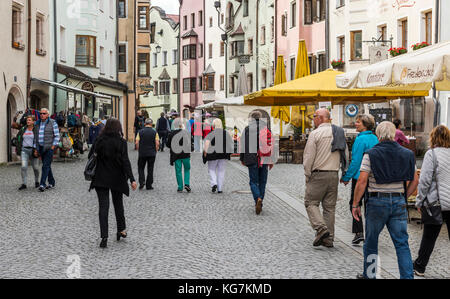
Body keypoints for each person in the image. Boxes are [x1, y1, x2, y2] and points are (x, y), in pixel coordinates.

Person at [352, 121, 419, 279]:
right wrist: (404, 196)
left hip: (377, 202)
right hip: (398, 202)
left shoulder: (371, 154)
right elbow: (415, 180)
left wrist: (355, 204)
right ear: (394, 133)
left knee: (371, 242)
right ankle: (407, 277)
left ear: (378, 134)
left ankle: (370, 275)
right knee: (402, 243)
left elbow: (362, 181)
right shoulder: (408, 154)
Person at [89, 119, 137, 248]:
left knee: (103, 208)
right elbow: (125, 161)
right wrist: (132, 179)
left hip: (101, 177)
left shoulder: (99, 140)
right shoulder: (121, 142)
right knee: (118, 204)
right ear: (118, 128)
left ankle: (104, 237)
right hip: (117, 178)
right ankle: (121, 230)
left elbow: (90, 156)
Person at [303, 108, 348, 248]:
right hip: (333, 174)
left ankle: (321, 228)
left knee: (310, 202)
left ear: (321, 118)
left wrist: (307, 174)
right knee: (329, 208)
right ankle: (329, 239)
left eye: (314, 116)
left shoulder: (315, 134)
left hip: (318, 174)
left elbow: (308, 157)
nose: (313, 119)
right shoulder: (340, 133)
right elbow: (345, 154)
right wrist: (344, 172)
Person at [413, 125, 450, 277]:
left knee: (429, 236)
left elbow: (425, 181)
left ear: (433, 138)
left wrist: (419, 201)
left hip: (436, 203)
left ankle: (420, 267)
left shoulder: (431, 154)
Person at [341, 114, 379, 245]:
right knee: (370, 206)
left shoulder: (360, 139)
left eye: (358, 122)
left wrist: (346, 177)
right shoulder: (375, 138)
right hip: (373, 177)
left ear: (365, 125)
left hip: (359, 177)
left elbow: (356, 161)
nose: (355, 124)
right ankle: (371, 234)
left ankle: (359, 233)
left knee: (355, 203)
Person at [240, 111, 274, 215]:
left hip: (251, 158)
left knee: (253, 181)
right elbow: (272, 145)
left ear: (251, 118)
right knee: (263, 181)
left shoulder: (247, 129)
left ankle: (257, 198)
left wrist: (242, 158)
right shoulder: (266, 128)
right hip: (264, 158)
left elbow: (243, 145)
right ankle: (260, 200)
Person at [33, 108, 60, 192]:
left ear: (48, 115)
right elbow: (35, 137)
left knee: (45, 166)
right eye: (41, 113)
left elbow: (57, 136)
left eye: (44, 113)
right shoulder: (37, 123)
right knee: (47, 165)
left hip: (49, 148)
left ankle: (42, 184)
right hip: (41, 147)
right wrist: (35, 148)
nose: (42, 115)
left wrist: (53, 146)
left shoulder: (52, 122)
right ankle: (52, 182)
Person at [203, 118, 233, 194]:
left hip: (213, 154)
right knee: (221, 171)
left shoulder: (211, 133)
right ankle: (220, 188)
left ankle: (214, 183)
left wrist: (205, 152)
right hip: (223, 154)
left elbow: (207, 143)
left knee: (211, 169)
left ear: (213, 125)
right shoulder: (226, 133)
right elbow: (230, 143)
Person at [167, 118, 192, 193]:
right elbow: (190, 143)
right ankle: (187, 184)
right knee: (187, 169)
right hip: (186, 154)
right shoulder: (186, 133)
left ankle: (180, 187)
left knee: (178, 171)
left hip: (176, 155)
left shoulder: (171, 134)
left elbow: (168, 145)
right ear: (181, 125)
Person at [17, 115, 40, 190]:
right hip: (24, 150)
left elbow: (38, 140)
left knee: (36, 168)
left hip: (33, 150)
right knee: (23, 167)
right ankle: (24, 183)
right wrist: (18, 148)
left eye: (29, 120)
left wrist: (37, 149)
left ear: (33, 121)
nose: (28, 121)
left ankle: (37, 181)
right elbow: (18, 138)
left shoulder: (36, 129)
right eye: (27, 120)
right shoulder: (23, 129)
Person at [136, 118, 160, 190]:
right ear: (151, 124)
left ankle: (141, 182)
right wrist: (155, 151)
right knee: (150, 169)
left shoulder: (140, 132)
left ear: (145, 124)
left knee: (141, 168)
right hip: (152, 153)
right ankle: (149, 185)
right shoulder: (155, 132)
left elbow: (137, 142)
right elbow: (157, 143)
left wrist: (138, 149)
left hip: (142, 153)